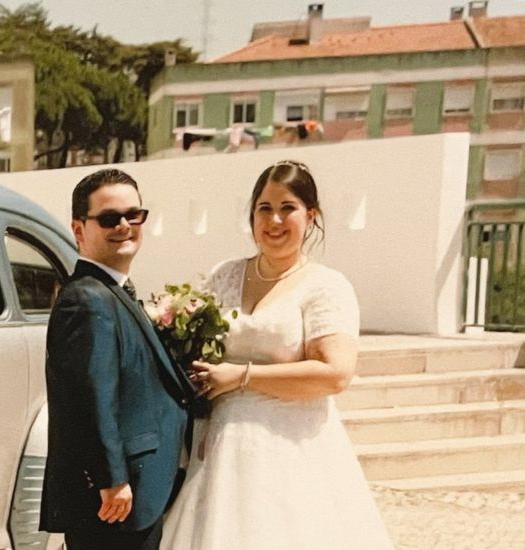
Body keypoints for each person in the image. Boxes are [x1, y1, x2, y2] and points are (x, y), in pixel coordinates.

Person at [161, 160, 394, 549]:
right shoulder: (226, 274)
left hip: (293, 450)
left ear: (310, 215)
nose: (275, 220)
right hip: (219, 449)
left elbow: (335, 374)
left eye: (288, 208)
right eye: (264, 209)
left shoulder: (326, 287)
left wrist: (242, 376)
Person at [40, 168, 195, 550]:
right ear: (79, 230)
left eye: (134, 215)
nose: (124, 225)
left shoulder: (113, 291)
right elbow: (91, 395)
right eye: (109, 218)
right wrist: (111, 479)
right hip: (115, 498)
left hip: (136, 488)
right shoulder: (87, 299)